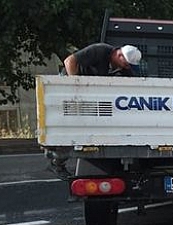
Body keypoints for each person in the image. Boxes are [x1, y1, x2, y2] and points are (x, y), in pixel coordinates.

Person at [49, 43, 142, 178]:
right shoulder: (99, 51)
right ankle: (55, 161)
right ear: (119, 55)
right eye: (126, 64)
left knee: (89, 127)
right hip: (71, 89)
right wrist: (75, 86)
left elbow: (133, 83)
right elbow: (69, 61)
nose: (126, 67)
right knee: (71, 127)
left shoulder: (120, 67)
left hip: (88, 95)